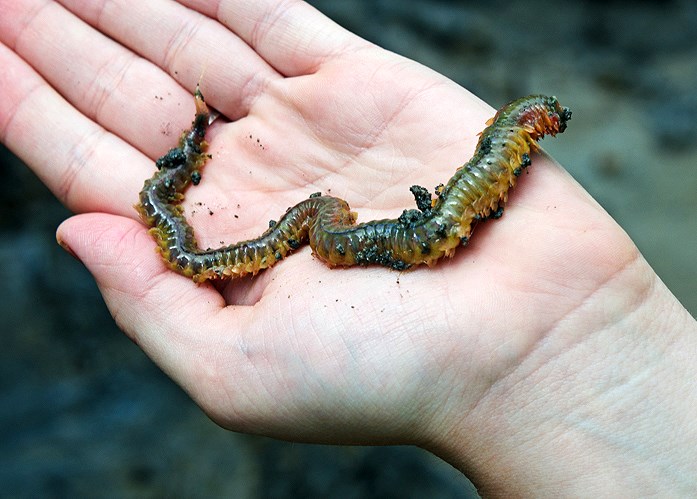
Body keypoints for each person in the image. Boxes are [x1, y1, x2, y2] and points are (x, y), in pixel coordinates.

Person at [1, 0, 695, 495]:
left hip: (399, 232)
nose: (542, 126)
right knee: (379, 229)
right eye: (539, 121)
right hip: (382, 234)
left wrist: (582, 355)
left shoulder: (492, 161)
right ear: (526, 126)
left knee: (417, 223)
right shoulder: (342, 227)